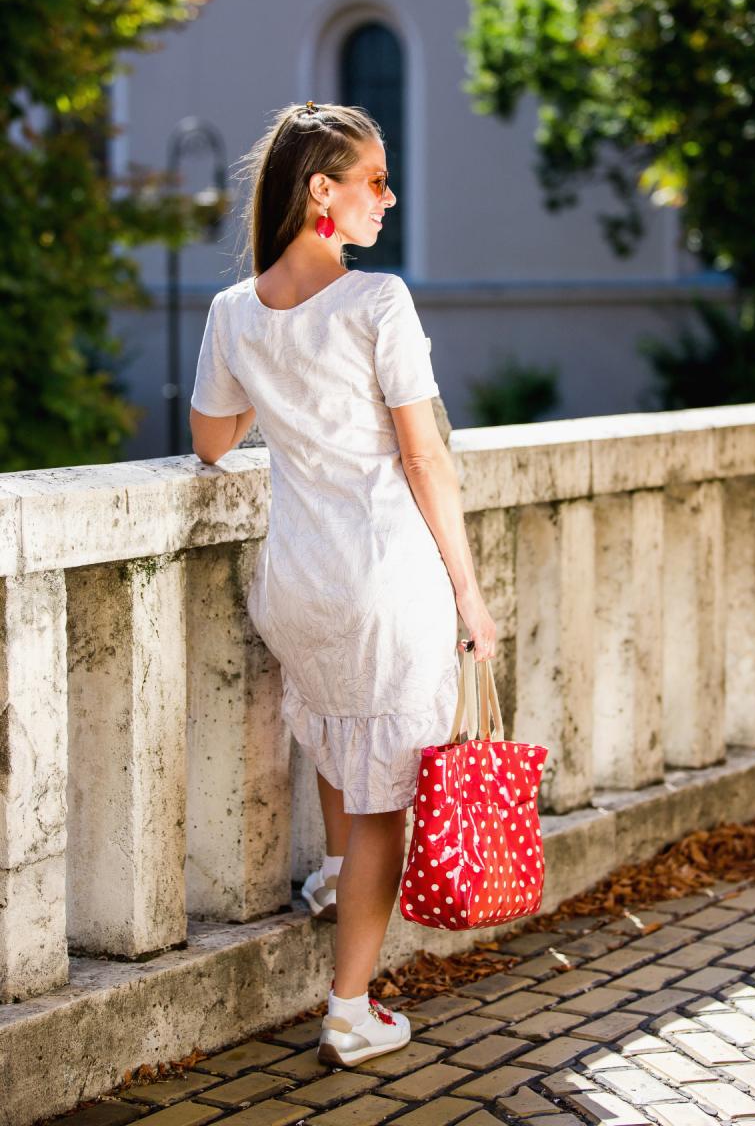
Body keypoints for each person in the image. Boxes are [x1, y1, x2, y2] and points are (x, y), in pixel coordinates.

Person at [189, 101, 497, 1067]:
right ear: (322, 191)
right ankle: (351, 1011)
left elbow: (211, 440)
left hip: (297, 583)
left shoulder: (233, 312)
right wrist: (470, 593)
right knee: (385, 804)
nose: (388, 198)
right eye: (374, 181)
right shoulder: (377, 301)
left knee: (337, 734)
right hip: (379, 578)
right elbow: (425, 458)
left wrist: (275, 373)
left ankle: (331, 877)